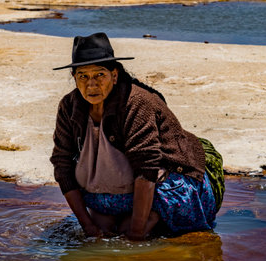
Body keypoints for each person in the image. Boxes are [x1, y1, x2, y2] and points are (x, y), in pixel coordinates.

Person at [51, 32, 223, 240]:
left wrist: (136, 233)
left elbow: (147, 169)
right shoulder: (69, 106)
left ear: (114, 76)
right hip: (109, 193)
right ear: (74, 78)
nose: (91, 85)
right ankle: (121, 216)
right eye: (83, 76)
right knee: (102, 228)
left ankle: (149, 218)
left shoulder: (135, 103)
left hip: (163, 183)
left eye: (99, 75)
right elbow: (62, 165)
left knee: (127, 230)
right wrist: (87, 225)